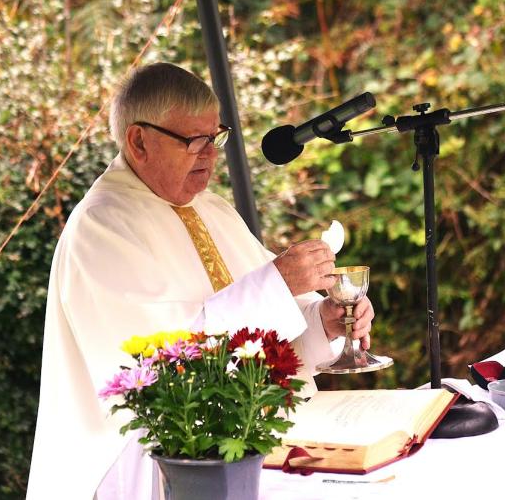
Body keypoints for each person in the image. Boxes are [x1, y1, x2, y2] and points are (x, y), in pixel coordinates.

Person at [26, 63, 375, 499]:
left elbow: (270, 327)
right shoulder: (102, 228)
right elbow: (162, 369)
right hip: (158, 469)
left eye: (215, 138)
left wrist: (323, 320)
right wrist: (278, 284)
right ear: (138, 141)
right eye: (194, 140)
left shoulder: (213, 209)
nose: (211, 155)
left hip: (255, 448)